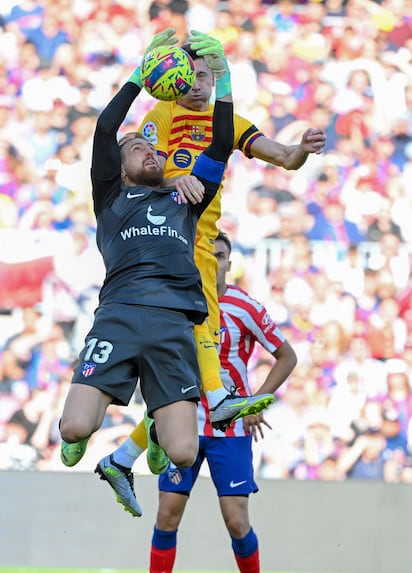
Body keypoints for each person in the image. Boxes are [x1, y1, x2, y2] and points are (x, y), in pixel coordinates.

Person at [97, 28, 326, 489]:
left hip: (202, 237)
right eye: (191, 76)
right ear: (176, 79)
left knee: (194, 332)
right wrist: (172, 183)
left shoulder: (232, 122)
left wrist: (301, 149)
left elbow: (282, 156)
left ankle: (142, 442)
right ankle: (208, 402)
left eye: (206, 75)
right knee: (196, 326)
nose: (198, 84)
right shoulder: (162, 113)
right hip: (165, 236)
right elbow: (143, 171)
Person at [59, 30, 270, 473]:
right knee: (75, 428)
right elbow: (105, 127)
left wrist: (225, 79)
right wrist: (140, 73)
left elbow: (218, 142)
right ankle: (87, 432)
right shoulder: (111, 198)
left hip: (174, 324)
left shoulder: (189, 198)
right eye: (137, 149)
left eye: (152, 146)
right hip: (120, 313)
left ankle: (154, 432)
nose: (149, 150)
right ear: (119, 167)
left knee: (184, 453)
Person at [125, 232, 297, 573]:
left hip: (230, 429)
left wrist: (255, 403)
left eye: (220, 256)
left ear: (229, 263)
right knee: (166, 516)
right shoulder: (181, 302)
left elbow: (287, 356)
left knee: (236, 521)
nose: (214, 262)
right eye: (207, 255)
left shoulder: (245, 306)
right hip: (183, 421)